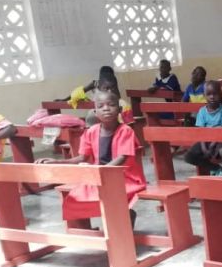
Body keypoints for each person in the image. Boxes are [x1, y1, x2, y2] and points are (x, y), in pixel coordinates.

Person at [36, 91, 146, 227]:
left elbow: (122, 158)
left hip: (124, 177)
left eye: (111, 105)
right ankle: (85, 232)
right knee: (76, 197)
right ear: (95, 112)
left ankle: (124, 220)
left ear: (120, 109)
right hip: (99, 175)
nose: (106, 108)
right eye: (101, 106)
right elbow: (82, 157)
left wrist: (100, 172)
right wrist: (57, 162)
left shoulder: (126, 131)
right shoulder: (91, 131)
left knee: (110, 195)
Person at [184, 81, 222, 176]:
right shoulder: (202, 112)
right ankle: (214, 168)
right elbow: (201, 131)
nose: (212, 97)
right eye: (209, 94)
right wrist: (204, 147)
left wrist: (212, 145)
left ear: (220, 95)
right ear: (204, 95)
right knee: (188, 156)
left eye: (215, 94)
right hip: (206, 140)